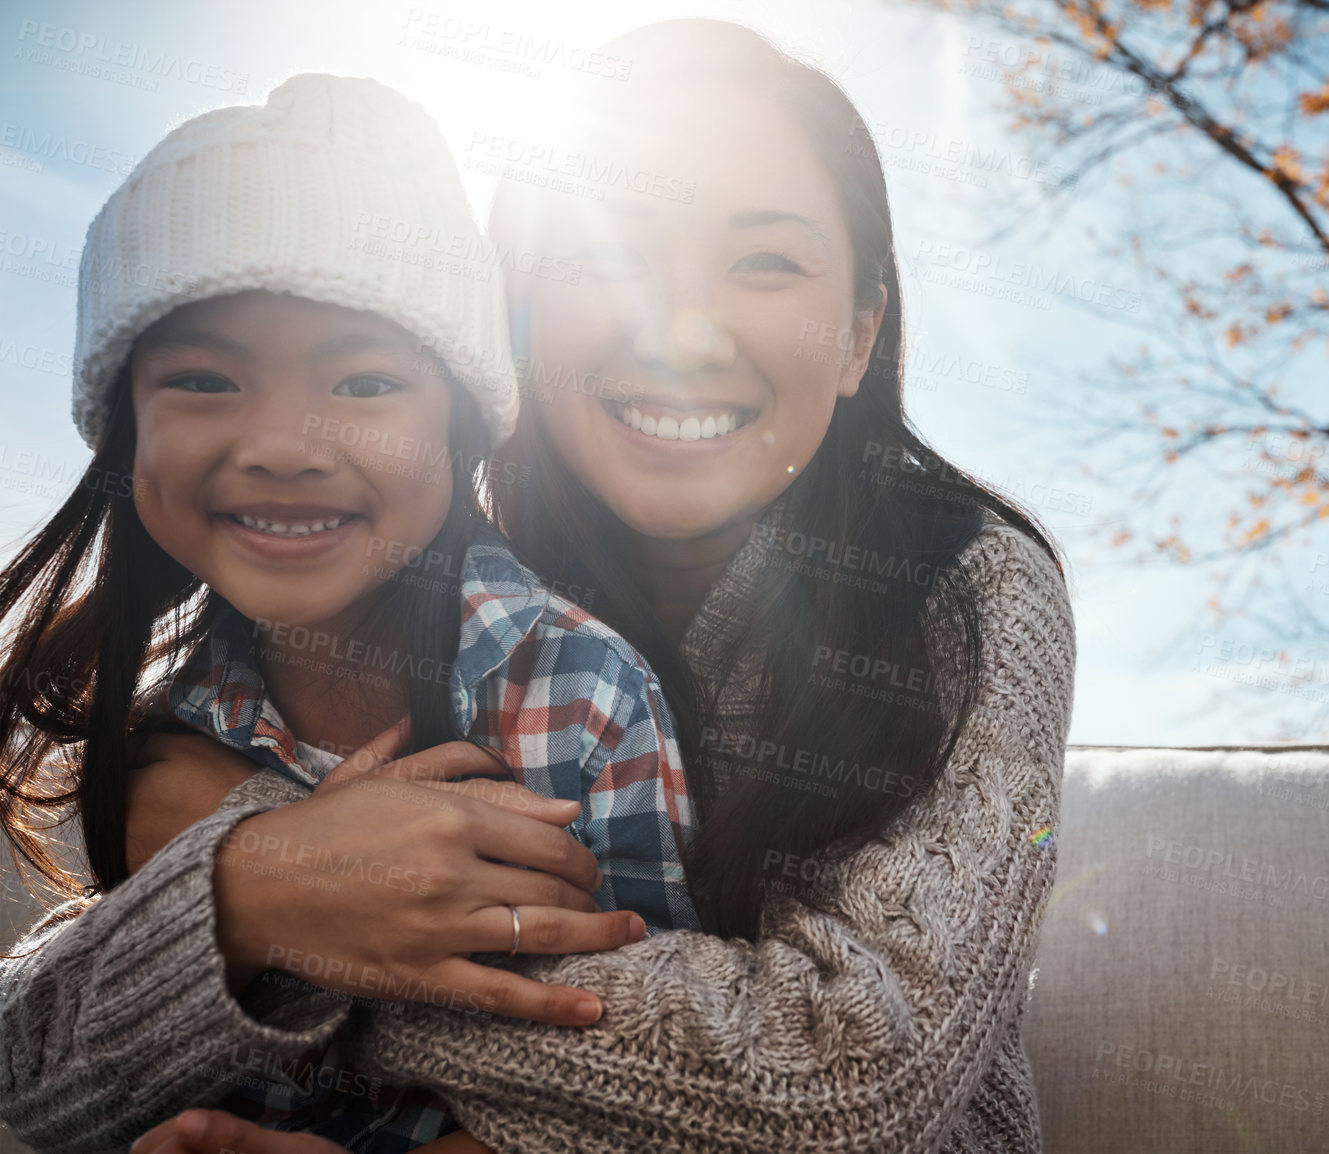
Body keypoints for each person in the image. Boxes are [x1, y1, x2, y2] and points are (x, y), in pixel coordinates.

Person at [10, 19, 1075, 1154]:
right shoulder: (415, 585)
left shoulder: (971, 594)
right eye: (601, 253)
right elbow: (30, 1064)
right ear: (506, 316)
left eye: (765, 260)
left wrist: (282, 889)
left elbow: (855, 1082)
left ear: (860, 332)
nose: (678, 329)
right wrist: (242, 883)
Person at [0, 74, 703, 1153]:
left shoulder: (575, 690)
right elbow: (53, 1081)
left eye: (365, 384)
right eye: (203, 378)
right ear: (123, 429)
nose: (283, 441)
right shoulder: (158, 729)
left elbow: (645, 1077)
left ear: (463, 420)